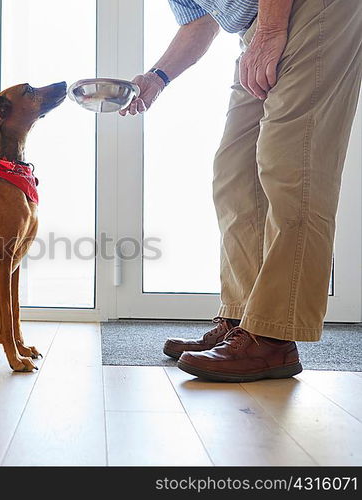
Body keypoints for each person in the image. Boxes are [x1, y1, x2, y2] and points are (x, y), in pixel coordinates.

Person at [121, 0, 362, 382]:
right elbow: (199, 23)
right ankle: (242, 319)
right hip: (264, 21)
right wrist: (157, 76)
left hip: (312, 9)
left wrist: (269, 32)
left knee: (290, 163)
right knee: (234, 172)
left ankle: (272, 337)